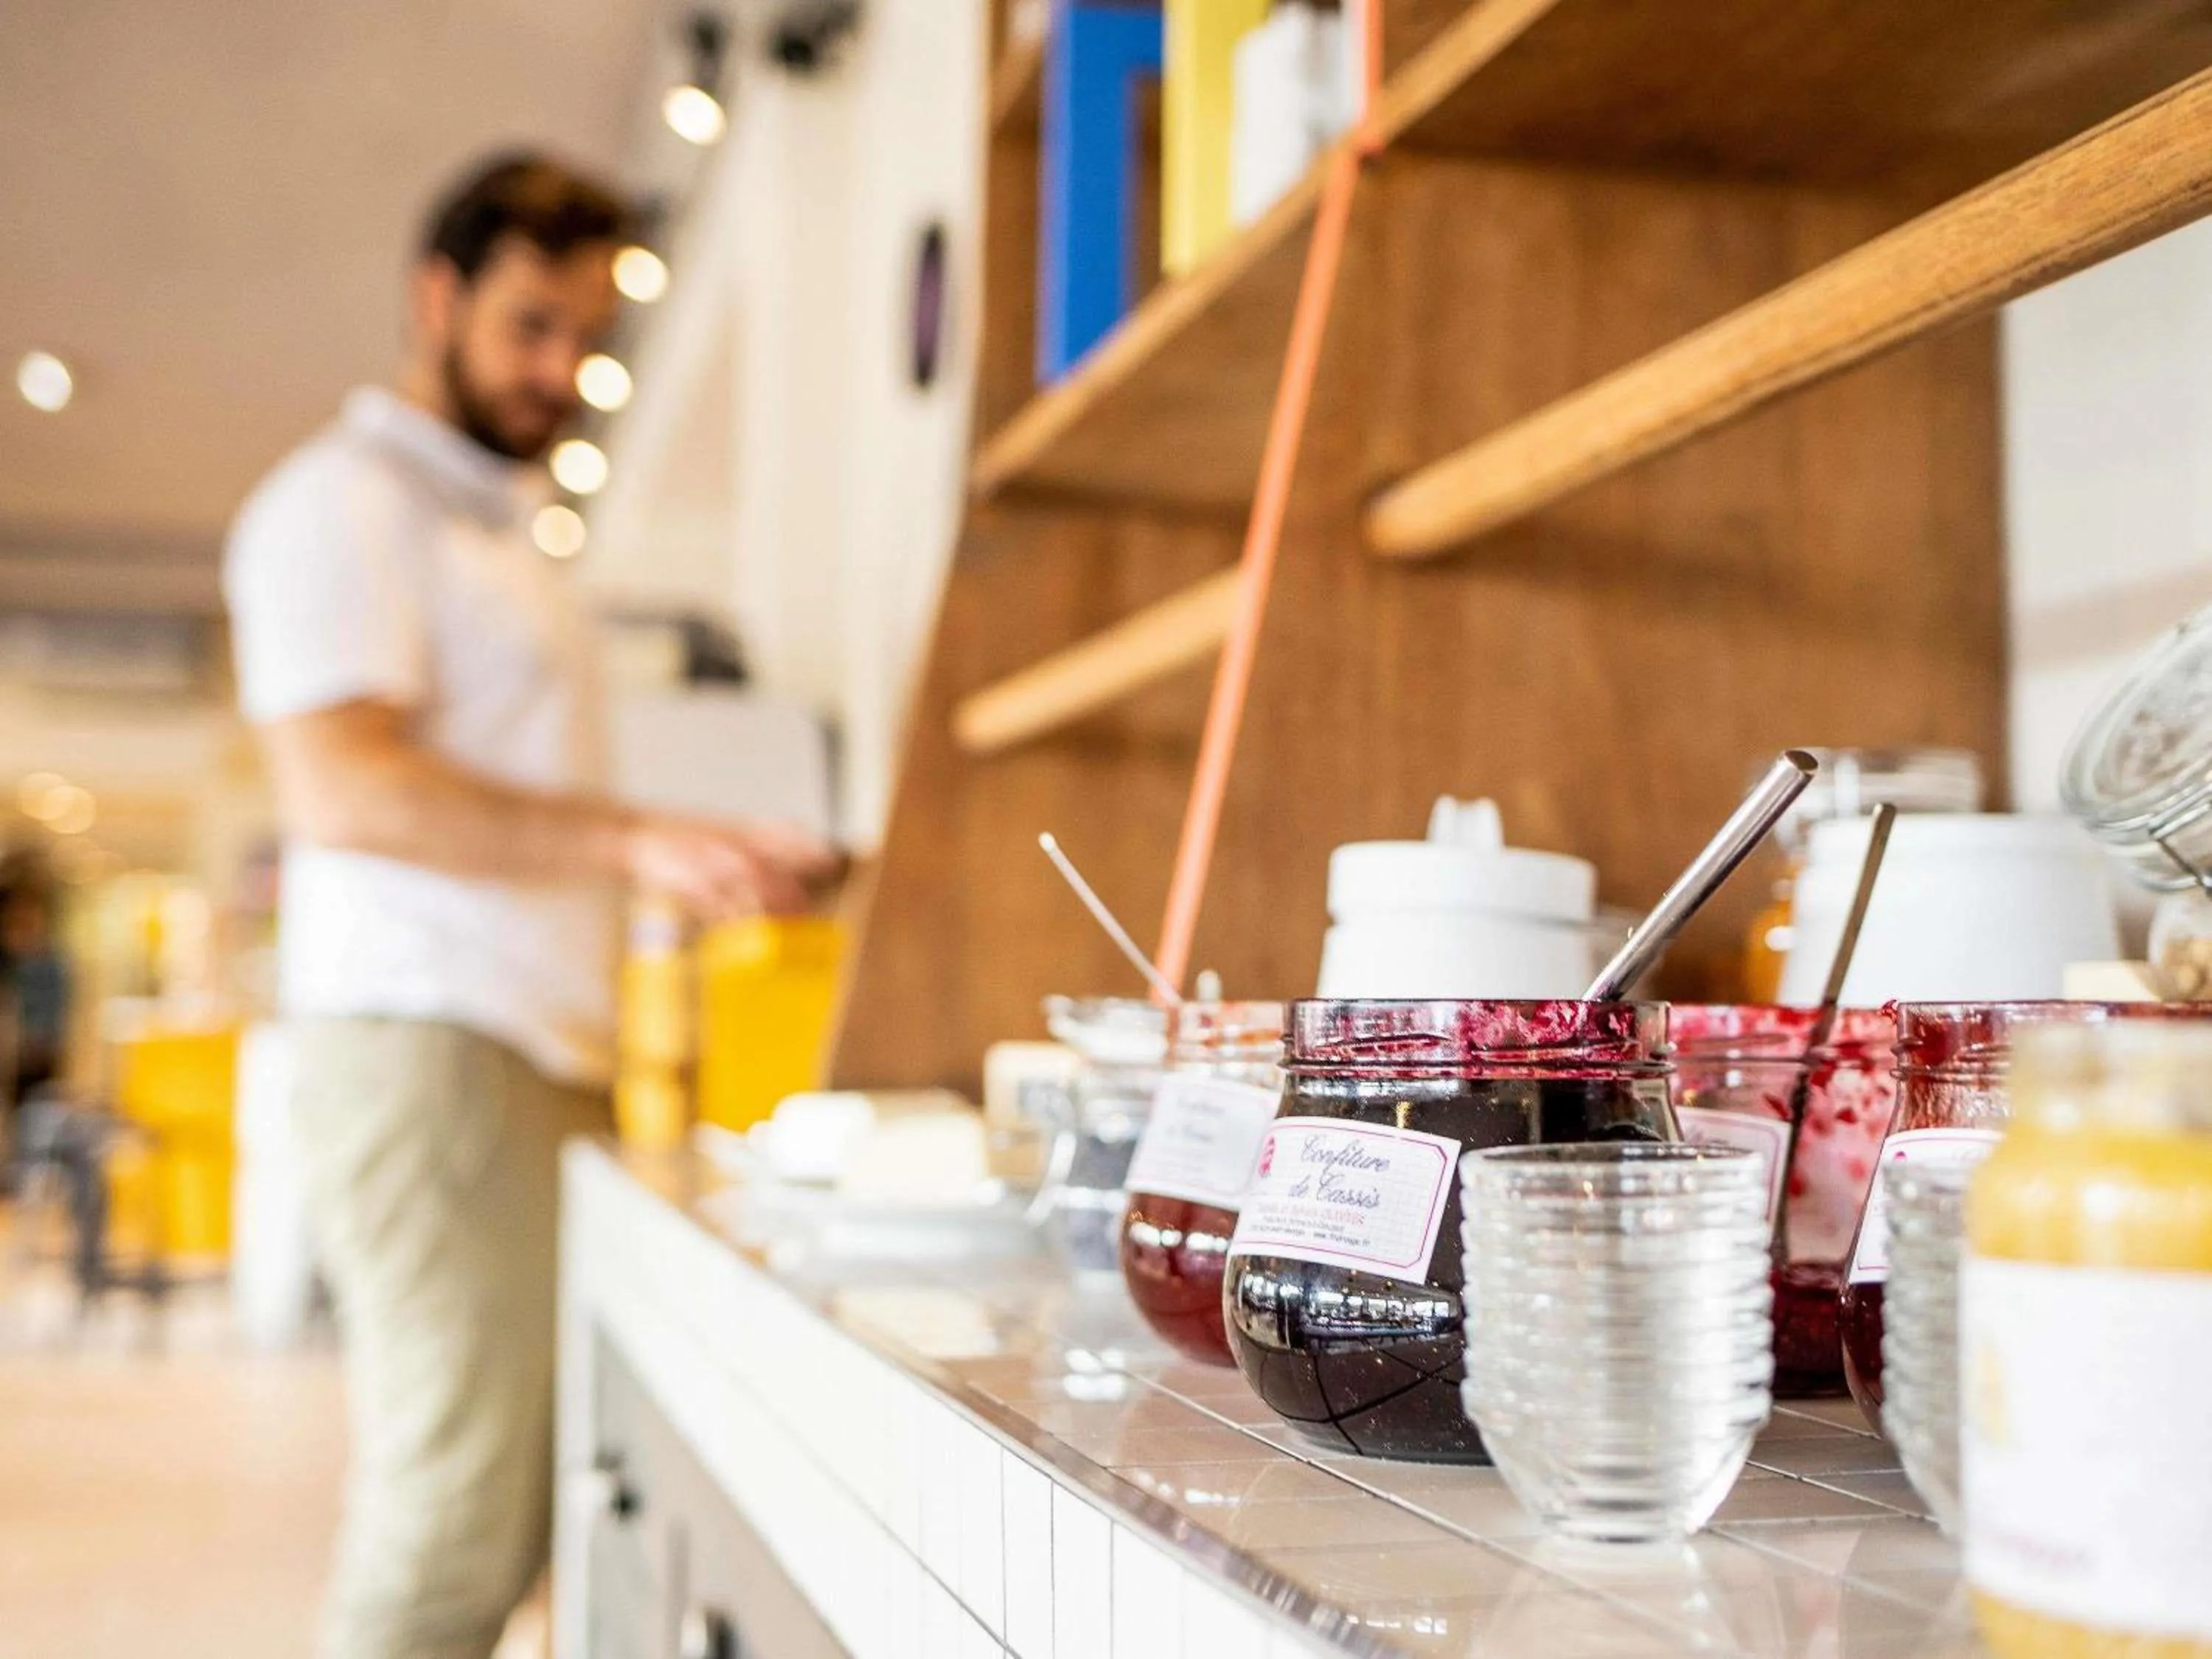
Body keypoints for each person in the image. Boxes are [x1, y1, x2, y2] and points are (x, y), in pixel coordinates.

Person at [223, 153, 835, 1659]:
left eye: (588, 339)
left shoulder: (495, 530)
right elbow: (344, 791)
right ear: (437, 298)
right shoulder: (343, 505)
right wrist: (634, 839)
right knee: (454, 1521)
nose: (562, 372)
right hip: (433, 1050)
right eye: (530, 327)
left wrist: (676, 852)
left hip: (524, 1057)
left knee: (534, 1503)